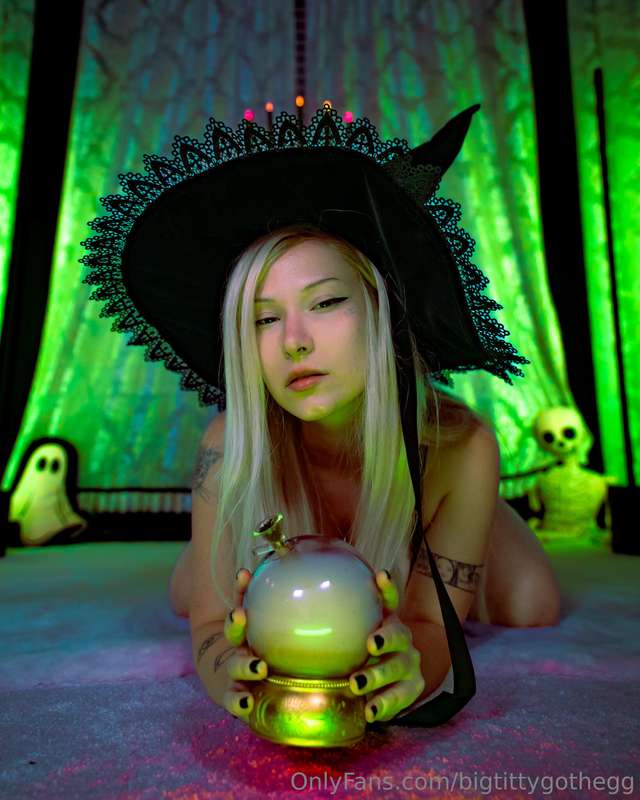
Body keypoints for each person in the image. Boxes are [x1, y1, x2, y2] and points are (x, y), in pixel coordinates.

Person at [82, 102, 561, 728]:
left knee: (532, 604)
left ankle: (478, 518)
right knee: (188, 591)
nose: (294, 342)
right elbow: (208, 626)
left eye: (326, 302)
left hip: (429, 506)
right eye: (263, 318)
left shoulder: (463, 447)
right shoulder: (228, 444)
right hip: (272, 512)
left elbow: (427, 624)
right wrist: (226, 669)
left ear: (381, 311)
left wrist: (409, 669)